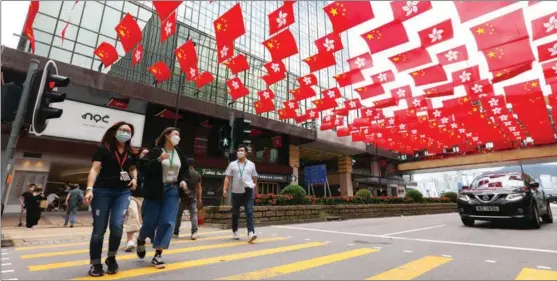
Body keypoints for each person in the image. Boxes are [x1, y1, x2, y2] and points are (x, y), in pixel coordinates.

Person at [84, 121, 138, 277]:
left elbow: (133, 169)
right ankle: (95, 263)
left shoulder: (131, 153)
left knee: (117, 226)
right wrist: (89, 189)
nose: (126, 132)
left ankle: (111, 258)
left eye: (129, 131)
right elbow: (94, 170)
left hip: (123, 192)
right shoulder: (103, 150)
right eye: (122, 130)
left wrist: (134, 179)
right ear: (114, 132)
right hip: (102, 191)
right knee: (99, 230)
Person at [137, 127, 190, 269]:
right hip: (156, 190)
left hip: (173, 190)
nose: (178, 137)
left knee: (167, 222)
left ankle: (158, 254)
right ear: (167, 135)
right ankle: (141, 239)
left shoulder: (179, 153)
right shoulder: (156, 151)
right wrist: (158, 160)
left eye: (179, 135)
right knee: (150, 221)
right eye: (175, 134)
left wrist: (183, 180)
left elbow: (185, 170)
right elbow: (144, 168)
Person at [222, 144, 258, 243]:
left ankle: (251, 232)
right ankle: (235, 231)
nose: (240, 152)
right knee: (235, 212)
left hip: (248, 190)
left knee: (249, 211)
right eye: (238, 150)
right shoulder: (232, 164)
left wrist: (255, 190)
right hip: (236, 191)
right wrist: (225, 189)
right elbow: (227, 177)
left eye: (242, 150)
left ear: (246, 153)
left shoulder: (251, 164)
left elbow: (254, 178)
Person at [124, 148, 149, 252]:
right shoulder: (133, 166)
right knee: (132, 214)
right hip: (131, 195)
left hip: (144, 197)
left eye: (148, 154)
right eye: (144, 153)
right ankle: (130, 240)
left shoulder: (150, 168)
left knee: (142, 219)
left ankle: (141, 238)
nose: (146, 155)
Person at [174, 158, 202, 240]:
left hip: (182, 197)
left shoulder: (183, 173)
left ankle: (176, 232)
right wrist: (199, 198)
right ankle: (194, 232)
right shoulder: (197, 174)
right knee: (193, 214)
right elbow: (199, 188)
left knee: (178, 214)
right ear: (194, 165)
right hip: (193, 196)